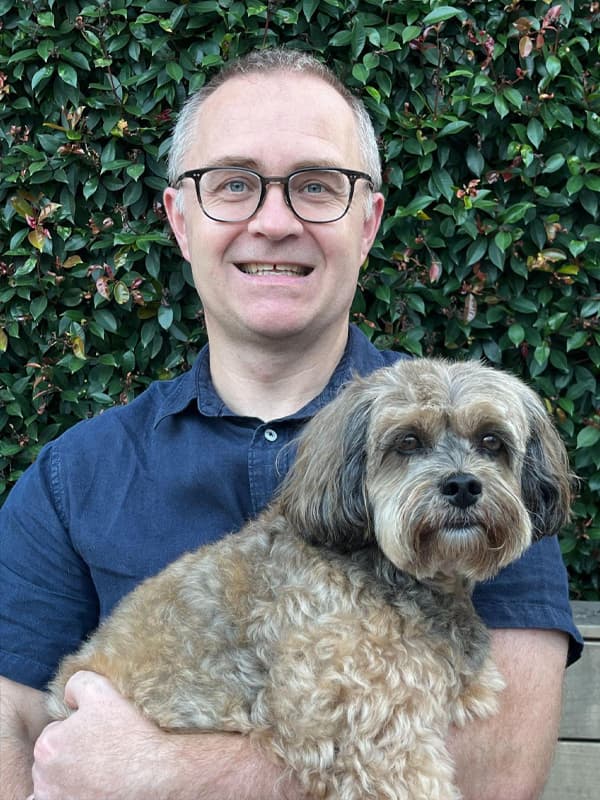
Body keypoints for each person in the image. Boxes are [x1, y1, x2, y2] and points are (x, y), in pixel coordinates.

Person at [0, 48, 582, 800]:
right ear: (179, 220)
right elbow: (16, 730)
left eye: (316, 186)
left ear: (368, 221)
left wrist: (169, 775)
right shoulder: (71, 475)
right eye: (233, 184)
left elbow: (499, 771)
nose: (274, 222)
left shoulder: (483, 461)